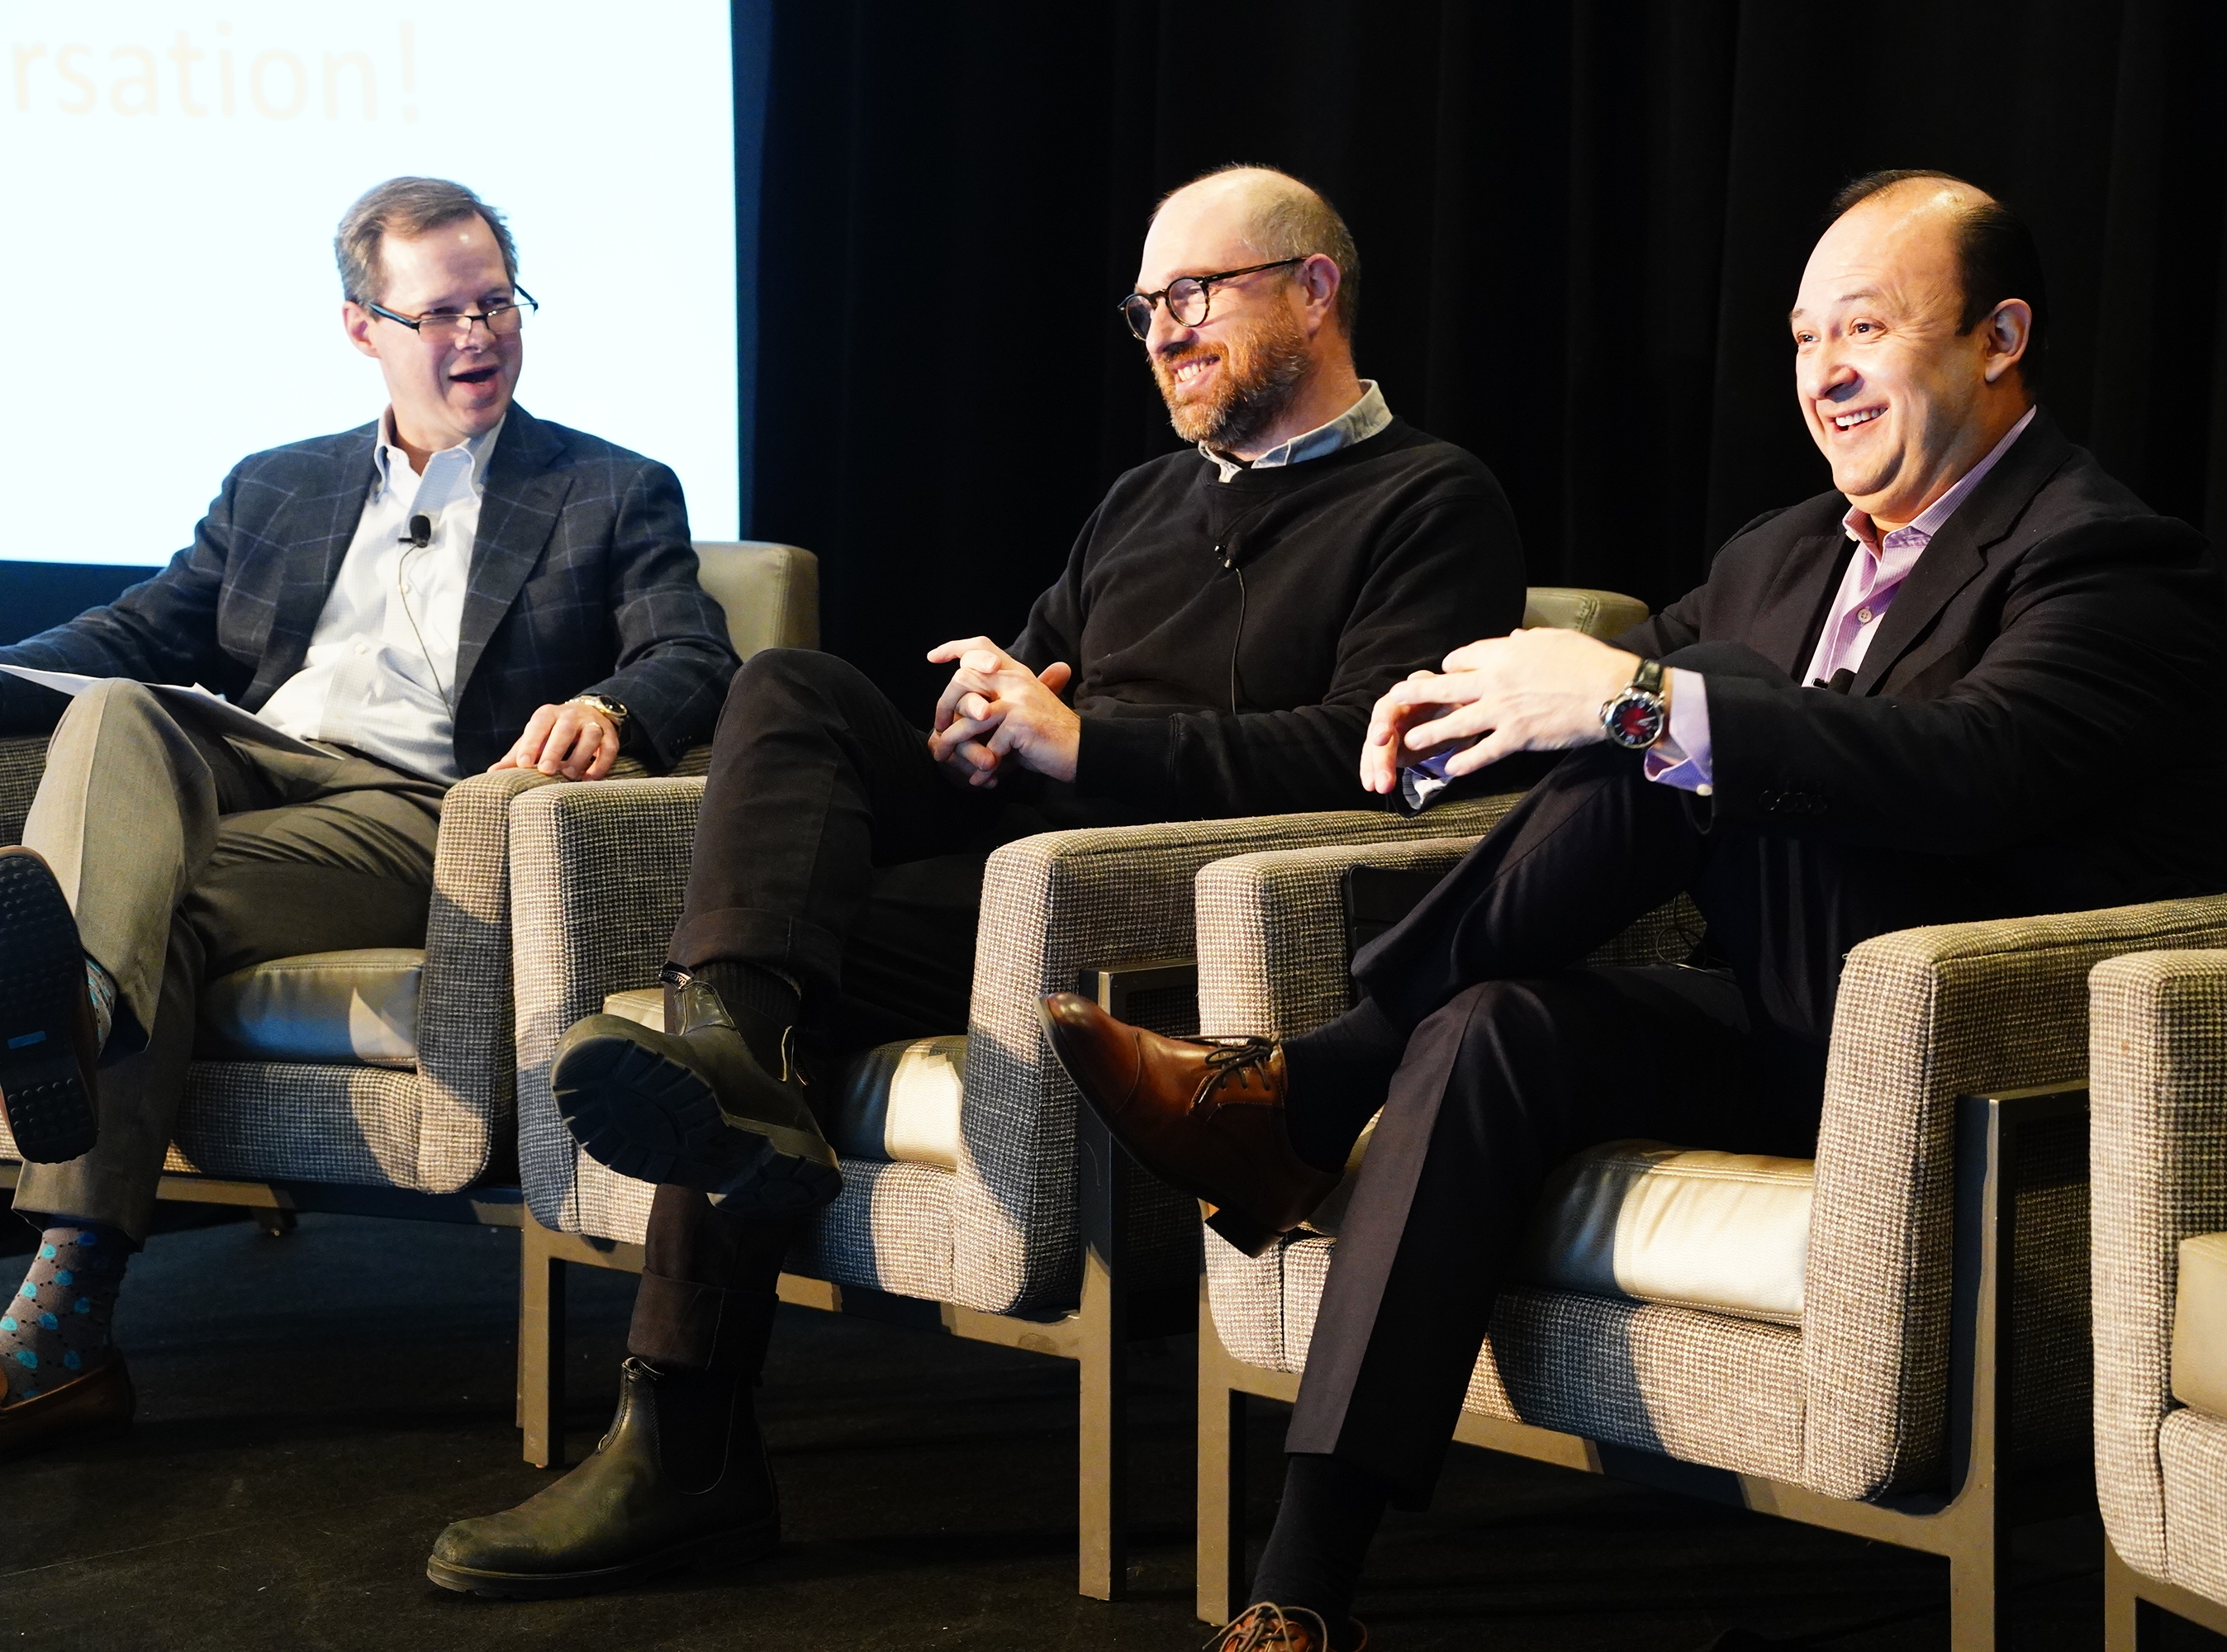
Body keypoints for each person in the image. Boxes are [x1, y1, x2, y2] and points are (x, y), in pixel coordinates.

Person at [1046, 169, 2227, 1652]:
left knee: (1701, 714)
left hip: (1982, 1066)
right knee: (1492, 1026)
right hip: (1783, 1021)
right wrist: (1451, 713)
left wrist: (1634, 701)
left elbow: (1973, 775)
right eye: (1805, 339)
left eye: (1864, 328)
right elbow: (1628, 707)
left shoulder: (2115, 560)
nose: (1825, 374)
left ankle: (1308, 1084)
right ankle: (1300, 1593)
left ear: (1999, 338)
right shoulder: (1782, 551)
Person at [423, 164, 1527, 1599]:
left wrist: (1087, 746)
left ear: (1315, 291)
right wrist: (984, 727)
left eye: (1197, 296)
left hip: (1159, 914)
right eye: (1145, 310)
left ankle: (685, 1440)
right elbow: (1043, 674)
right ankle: (734, 1042)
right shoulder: (1141, 502)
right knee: (793, 691)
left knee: (751, 984)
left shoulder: (1433, 500)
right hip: (999, 880)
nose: (1166, 334)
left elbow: (1377, 759)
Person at [0, 176, 738, 1460]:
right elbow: (134, 632)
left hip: (417, 811)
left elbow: (694, 654)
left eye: (498, 304)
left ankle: (62, 1323)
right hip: (249, 767)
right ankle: (79, 999)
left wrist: (612, 710)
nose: (478, 337)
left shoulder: (610, 489)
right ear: (364, 329)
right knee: (116, 708)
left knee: (137, 911)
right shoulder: (276, 487)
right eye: (442, 312)